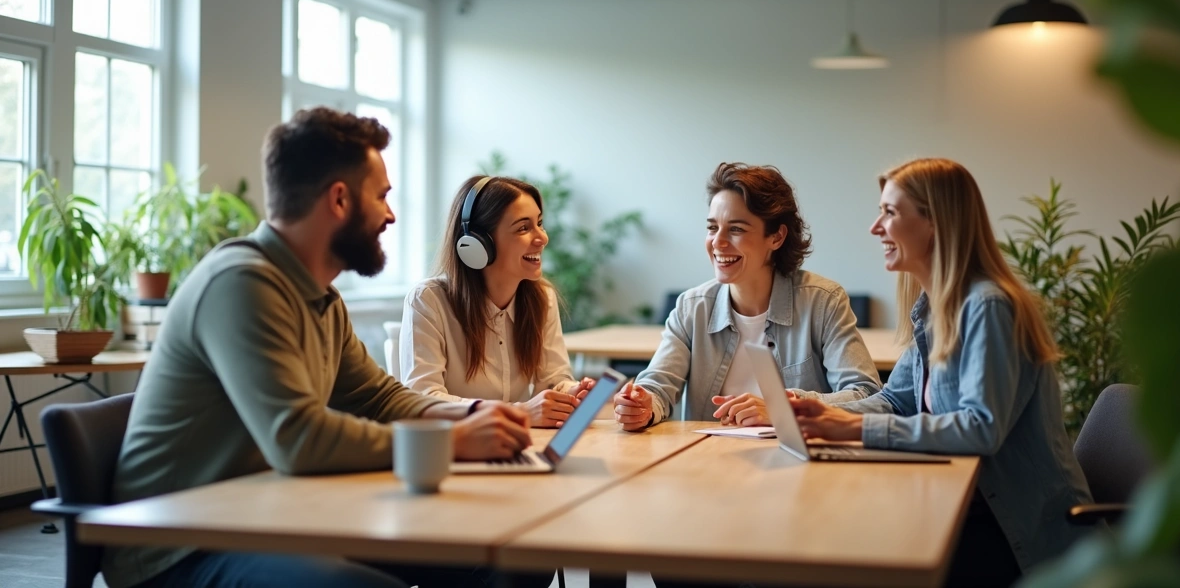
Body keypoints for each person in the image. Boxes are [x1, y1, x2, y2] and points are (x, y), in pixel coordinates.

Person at [102, 108, 544, 588]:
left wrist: (479, 416)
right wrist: (453, 442)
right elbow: (298, 439)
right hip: (179, 548)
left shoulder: (319, 297)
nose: (390, 215)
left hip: (269, 518)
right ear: (339, 200)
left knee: (508, 557)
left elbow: (380, 399)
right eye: (381, 197)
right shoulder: (242, 285)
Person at [791, 158, 1093, 586]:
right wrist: (814, 408)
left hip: (1018, 529)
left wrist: (854, 431)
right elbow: (898, 399)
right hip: (972, 507)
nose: (876, 228)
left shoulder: (988, 307)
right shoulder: (936, 309)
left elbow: (980, 429)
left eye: (890, 213)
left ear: (934, 222)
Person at [614, 162, 880, 432]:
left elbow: (866, 394)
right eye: (712, 227)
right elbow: (656, 388)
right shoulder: (691, 307)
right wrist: (642, 405)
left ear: (776, 237)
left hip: (796, 462)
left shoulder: (823, 302)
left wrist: (784, 408)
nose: (718, 242)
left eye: (736, 229)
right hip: (707, 462)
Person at [401, 175, 593, 427]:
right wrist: (519, 412)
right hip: (455, 450)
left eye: (540, 224)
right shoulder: (428, 301)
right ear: (477, 244)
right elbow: (423, 400)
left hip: (517, 444)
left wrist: (571, 392)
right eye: (524, 228)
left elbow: (552, 380)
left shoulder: (541, 298)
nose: (542, 238)